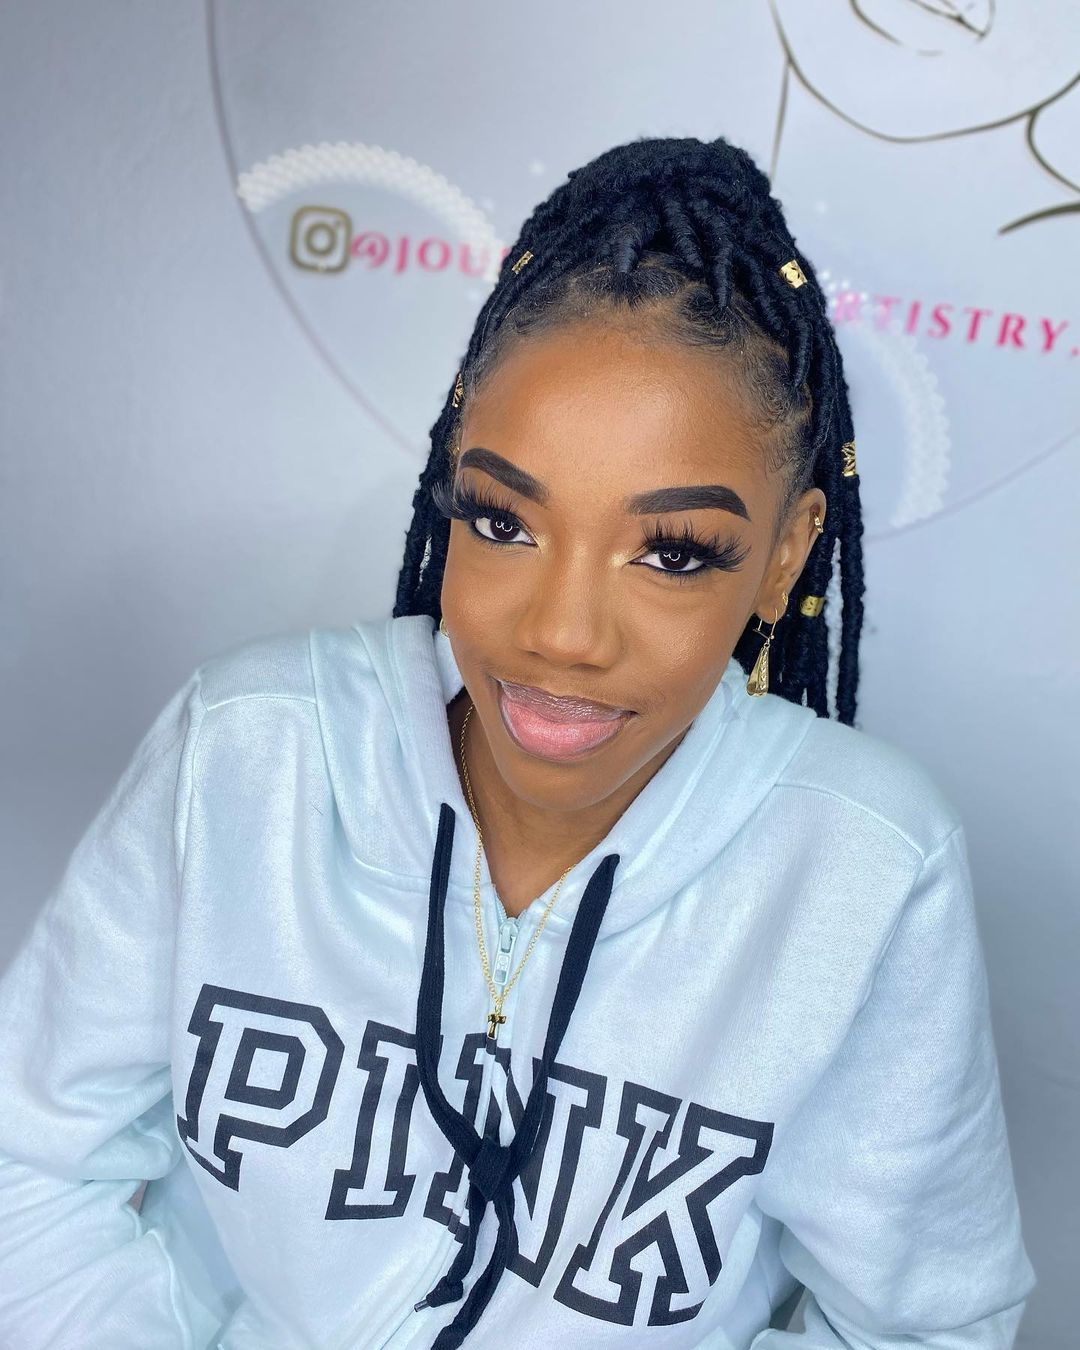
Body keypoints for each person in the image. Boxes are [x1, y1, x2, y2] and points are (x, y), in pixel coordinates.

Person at [0, 135, 1035, 1348]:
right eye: (501, 521)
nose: (561, 633)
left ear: (786, 555)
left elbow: (923, 1326)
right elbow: (30, 1161)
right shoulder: (248, 754)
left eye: (674, 553)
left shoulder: (863, 871)